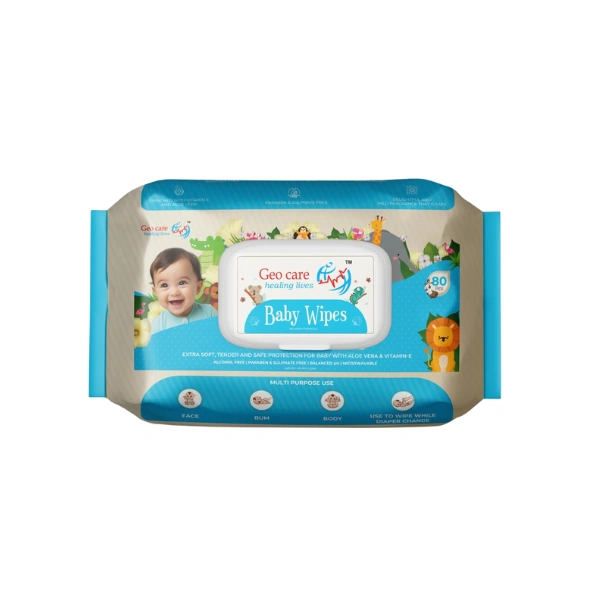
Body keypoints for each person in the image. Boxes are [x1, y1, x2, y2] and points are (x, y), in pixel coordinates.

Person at [149, 248, 217, 335]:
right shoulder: (158, 324)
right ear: (156, 292)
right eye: (164, 285)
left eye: (182, 283)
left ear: (198, 287)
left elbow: (220, 340)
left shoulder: (209, 313)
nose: (174, 292)